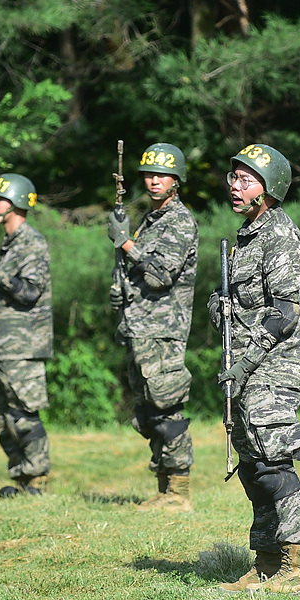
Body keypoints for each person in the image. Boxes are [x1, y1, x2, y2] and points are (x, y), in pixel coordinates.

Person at [209, 144, 300, 598]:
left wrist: (247, 359)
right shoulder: (246, 236)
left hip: (273, 367)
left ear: (268, 189)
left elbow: (284, 313)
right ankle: (267, 561)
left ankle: (298, 562)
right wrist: (219, 302)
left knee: (273, 460)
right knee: (252, 464)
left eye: (245, 179)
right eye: (233, 177)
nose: (234, 186)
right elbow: (240, 303)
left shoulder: (280, 237)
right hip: (244, 368)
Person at [107, 143, 198, 512]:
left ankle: (179, 492)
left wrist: (126, 242)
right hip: (140, 326)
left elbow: (161, 275)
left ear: (176, 181)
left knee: (166, 408)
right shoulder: (152, 218)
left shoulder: (179, 221)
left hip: (163, 330)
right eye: (149, 174)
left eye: (162, 174)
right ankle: (163, 489)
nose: (154, 180)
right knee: (147, 413)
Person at [0, 173, 54, 497]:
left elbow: (30, 291)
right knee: (3, 419)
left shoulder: (31, 242)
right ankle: (21, 478)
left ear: (18, 202)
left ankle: (37, 480)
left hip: (22, 344)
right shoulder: (7, 246)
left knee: (23, 414)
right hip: (1, 344)